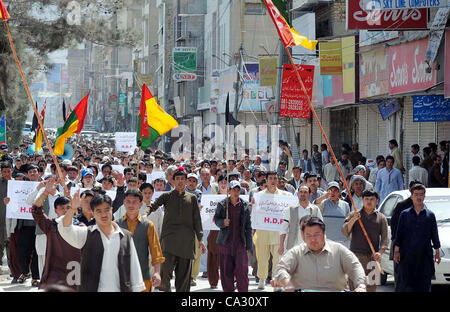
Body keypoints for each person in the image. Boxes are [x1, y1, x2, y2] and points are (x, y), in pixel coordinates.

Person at [58, 193, 146, 292]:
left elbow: (134, 266)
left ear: (112, 210)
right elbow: (65, 229)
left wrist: (137, 288)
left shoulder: (125, 236)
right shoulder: (86, 233)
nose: (103, 215)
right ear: (93, 212)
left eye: (107, 210)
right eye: (98, 211)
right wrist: (72, 209)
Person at [146, 167, 206, 292]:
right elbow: (153, 205)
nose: (180, 181)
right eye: (177, 179)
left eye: (182, 179)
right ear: (172, 181)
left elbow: (197, 220)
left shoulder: (192, 198)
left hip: (186, 243)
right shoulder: (166, 196)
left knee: (184, 279)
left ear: (185, 181)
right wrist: (144, 213)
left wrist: (200, 239)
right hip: (169, 242)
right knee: (164, 274)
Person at [272, 216, 367, 292]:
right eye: (308, 236)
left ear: (324, 233)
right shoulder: (296, 252)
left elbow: (355, 267)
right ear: (303, 237)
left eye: (317, 235)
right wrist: (287, 283)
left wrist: (361, 286)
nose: (313, 239)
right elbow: (281, 268)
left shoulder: (339, 250)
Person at [30, 179, 81, 290]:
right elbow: (36, 210)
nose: (66, 211)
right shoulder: (51, 226)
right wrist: (45, 193)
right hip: (55, 272)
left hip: (75, 271)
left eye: (68, 208)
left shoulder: (80, 226)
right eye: (62, 208)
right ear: (55, 210)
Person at [116, 188, 165, 292]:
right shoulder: (116, 225)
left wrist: (157, 272)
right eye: (128, 202)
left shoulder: (148, 225)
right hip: (121, 276)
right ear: (124, 202)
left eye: (135, 202)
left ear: (140, 204)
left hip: (143, 276)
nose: (131, 205)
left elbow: (156, 252)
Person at [394, 183, 441, 292]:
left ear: (424, 196)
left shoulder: (430, 215)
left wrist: (437, 251)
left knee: (424, 285)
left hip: (424, 256)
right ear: (411, 196)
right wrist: (396, 251)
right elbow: (399, 234)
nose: (418, 197)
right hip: (407, 256)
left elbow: (434, 234)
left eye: (421, 194)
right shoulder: (404, 214)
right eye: (416, 194)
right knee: (406, 285)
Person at [342, 190, 389, 292]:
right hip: (356, 257)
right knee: (355, 287)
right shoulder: (353, 214)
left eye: (372, 199)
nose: (369, 201)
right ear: (362, 200)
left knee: (371, 287)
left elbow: (385, 240)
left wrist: (379, 253)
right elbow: (345, 232)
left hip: (373, 259)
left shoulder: (381, 218)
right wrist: (353, 219)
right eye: (366, 199)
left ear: (377, 201)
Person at [252, 171, 291, 290]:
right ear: (266, 180)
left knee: (278, 260)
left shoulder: (286, 196)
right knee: (262, 258)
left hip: (278, 233)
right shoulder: (258, 196)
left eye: (275, 178)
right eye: (270, 178)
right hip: (262, 232)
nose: (273, 180)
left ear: (278, 180)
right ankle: (262, 279)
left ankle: (276, 282)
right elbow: (254, 214)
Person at [214, 180, 252, 292]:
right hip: (225, 243)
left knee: (242, 270)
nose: (236, 192)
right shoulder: (222, 204)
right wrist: (222, 223)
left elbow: (248, 226)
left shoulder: (244, 205)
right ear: (229, 191)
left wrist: (249, 246)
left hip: (240, 244)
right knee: (226, 272)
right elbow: (216, 219)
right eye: (233, 190)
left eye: (238, 190)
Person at [279, 185, 323, 255]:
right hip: (293, 246)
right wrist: (281, 246)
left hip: (310, 246)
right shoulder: (290, 209)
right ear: (297, 194)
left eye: (305, 192)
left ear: (310, 194)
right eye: (301, 192)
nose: (303, 194)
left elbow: (321, 228)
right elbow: (283, 229)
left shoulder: (315, 209)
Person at [317, 181, 351, 246]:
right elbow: (315, 204)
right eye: (330, 190)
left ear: (339, 192)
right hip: (326, 241)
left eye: (335, 190)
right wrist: (324, 196)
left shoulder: (345, 205)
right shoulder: (323, 203)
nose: (332, 192)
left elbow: (347, 223)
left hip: (342, 241)